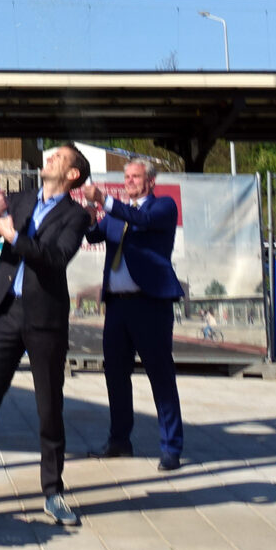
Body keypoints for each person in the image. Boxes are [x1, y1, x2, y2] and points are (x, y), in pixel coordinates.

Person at [0, 144, 95, 527]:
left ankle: (52, 492)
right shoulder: (22, 199)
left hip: (44, 318)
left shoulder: (76, 216)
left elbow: (54, 258)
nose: (49, 160)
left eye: (58, 157)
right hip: (5, 311)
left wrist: (12, 236)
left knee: (48, 408)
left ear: (73, 174)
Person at [80, 158, 188, 471]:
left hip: (150, 303)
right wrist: (89, 218)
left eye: (135, 176)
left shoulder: (162, 206)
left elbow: (138, 218)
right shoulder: (117, 213)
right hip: (117, 305)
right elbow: (94, 235)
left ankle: (171, 447)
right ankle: (119, 440)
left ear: (151, 181)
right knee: (115, 374)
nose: (129, 181)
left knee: (160, 376)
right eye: (126, 176)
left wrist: (103, 200)